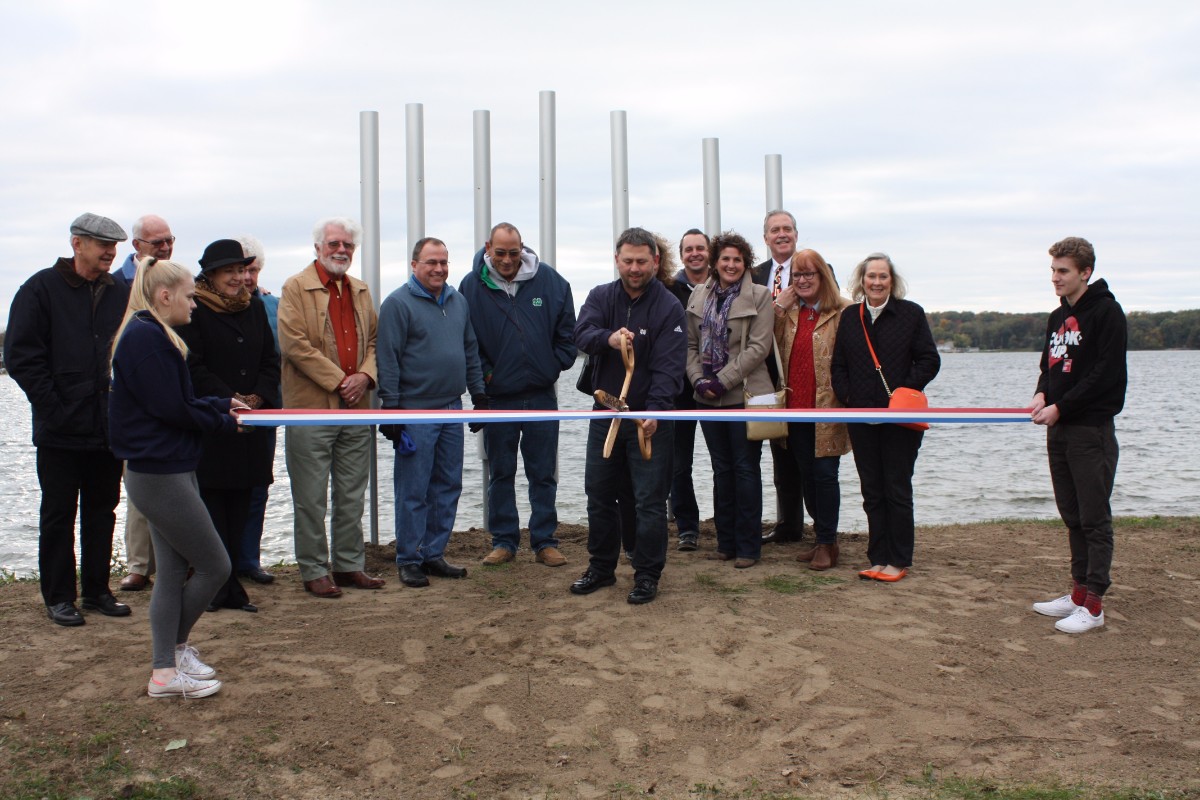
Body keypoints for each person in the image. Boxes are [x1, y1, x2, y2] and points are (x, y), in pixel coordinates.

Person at [109, 256, 246, 698]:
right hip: (158, 473)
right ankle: (165, 665)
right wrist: (225, 421)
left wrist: (220, 405)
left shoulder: (154, 334)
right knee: (215, 565)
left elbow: (178, 401)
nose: (195, 304)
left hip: (172, 467)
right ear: (164, 296)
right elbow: (173, 410)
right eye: (190, 296)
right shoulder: (147, 340)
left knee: (171, 573)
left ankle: (169, 663)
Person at [4, 213, 132, 626]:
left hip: (107, 425)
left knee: (103, 509)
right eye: (102, 245)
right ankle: (59, 597)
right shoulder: (40, 288)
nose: (110, 253)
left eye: (114, 246)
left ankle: (97, 590)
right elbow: (22, 356)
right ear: (77, 243)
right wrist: (53, 408)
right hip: (60, 428)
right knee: (58, 514)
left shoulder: (121, 292)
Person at [572, 227, 687, 604]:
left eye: (642, 261)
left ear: (655, 261)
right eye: (628, 261)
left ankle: (647, 574)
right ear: (617, 261)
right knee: (599, 495)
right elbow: (581, 334)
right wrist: (609, 339)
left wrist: (655, 412)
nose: (635, 268)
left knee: (649, 501)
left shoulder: (669, 306)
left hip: (647, 421)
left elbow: (669, 369)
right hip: (605, 414)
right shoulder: (600, 296)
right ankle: (601, 568)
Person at [458, 223, 576, 568]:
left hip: (541, 396)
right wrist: (487, 377)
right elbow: (467, 342)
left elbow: (568, 335)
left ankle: (545, 541)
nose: (507, 260)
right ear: (487, 248)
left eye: (514, 252)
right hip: (499, 398)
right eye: (500, 253)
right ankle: (504, 541)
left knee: (542, 473)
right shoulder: (471, 286)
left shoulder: (551, 282)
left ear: (522, 248)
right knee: (501, 472)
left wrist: (551, 366)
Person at [278, 217, 385, 598]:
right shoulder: (294, 287)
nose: (342, 251)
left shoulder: (361, 290)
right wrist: (341, 380)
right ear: (319, 247)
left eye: (348, 246)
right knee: (310, 496)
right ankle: (312, 569)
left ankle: (349, 564)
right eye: (335, 244)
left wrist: (365, 377)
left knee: (352, 493)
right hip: (311, 409)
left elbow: (374, 341)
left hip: (357, 408)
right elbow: (294, 345)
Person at [1030, 237, 1127, 634]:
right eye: (1053, 270)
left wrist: (1062, 406)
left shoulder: (1107, 313)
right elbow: (1049, 367)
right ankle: (1077, 593)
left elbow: (1105, 374)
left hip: (1091, 430)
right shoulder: (1057, 318)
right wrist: (1041, 393)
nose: (1055, 277)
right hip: (1060, 429)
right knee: (1071, 515)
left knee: (1093, 518)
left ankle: (1095, 604)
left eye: (1063, 271)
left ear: (1085, 272)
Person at [178, 240, 280, 612]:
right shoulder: (195, 310)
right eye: (230, 272)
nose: (239, 278)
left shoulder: (254, 307)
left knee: (242, 505)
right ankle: (214, 588)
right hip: (213, 425)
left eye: (242, 270)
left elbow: (271, 359)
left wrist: (257, 398)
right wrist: (229, 398)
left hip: (251, 425)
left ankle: (233, 586)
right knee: (212, 510)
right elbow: (193, 365)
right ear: (211, 275)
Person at [378, 237, 485, 588]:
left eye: (443, 262)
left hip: (453, 406)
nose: (438, 268)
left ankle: (433, 552)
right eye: (431, 262)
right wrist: (391, 409)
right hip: (415, 409)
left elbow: (469, 348)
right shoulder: (397, 303)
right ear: (414, 265)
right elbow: (388, 358)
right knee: (413, 488)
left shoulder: (458, 301)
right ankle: (409, 558)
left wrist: (478, 396)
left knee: (448, 484)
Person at [831, 253, 940, 582]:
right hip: (861, 417)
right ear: (861, 281)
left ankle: (898, 559)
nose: (876, 282)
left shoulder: (911, 314)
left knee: (896, 488)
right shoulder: (851, 317)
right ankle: (877, 557)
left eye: (883, 276)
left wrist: (904, 391)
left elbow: (929, 360)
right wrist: (849, 395)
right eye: (871, 276)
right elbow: (839, 365)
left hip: (900, 420)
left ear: (892, 281)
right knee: (872, 491)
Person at [686, 231, 773, 568]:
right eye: (726, 259)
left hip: (745, 396)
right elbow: (690, 347)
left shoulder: (761, 296)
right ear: (715, 262)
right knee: (721, 471)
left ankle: (749, 547)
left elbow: (758, 348)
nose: (731, 264)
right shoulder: (698, 295)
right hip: (705, 397)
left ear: (745, 263)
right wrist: (698, 380)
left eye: (737, 259)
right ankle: (726, 542)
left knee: (745, 469)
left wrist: (722, 381)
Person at [771, 249, 851, 571]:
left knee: (825, 475)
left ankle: (827, 541)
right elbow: (767, 346)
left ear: (823, 277)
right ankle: (823, 540)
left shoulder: (844, 311)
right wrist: (778, 308)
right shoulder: (789, 314)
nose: (802, 281)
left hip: (828, 408)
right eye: (797, 276)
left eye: (809, 274)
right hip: (795, 410)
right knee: (806, 476)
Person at [115, 214, 176, 591]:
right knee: (139, 485)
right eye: (157, 243)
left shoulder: (181, 279)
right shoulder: (117, 283)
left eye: (170, 239)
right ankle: (139, 564)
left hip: (173, 389)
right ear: (137, 246)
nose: (166, 247)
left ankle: (175, 561)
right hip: (133, 396)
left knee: (179, 486)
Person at [752, 209, 806, 545]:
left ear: (796, 235)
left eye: (787, 229)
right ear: (766, 238)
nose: (782, 234)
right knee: (778, 452)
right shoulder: (754, 274)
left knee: (807, 454)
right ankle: (788, 525)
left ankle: (823, 530)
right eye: (775, 230)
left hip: (801, 372)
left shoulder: (813, 268)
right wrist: (777, 305)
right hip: (762, 375)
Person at [235, 234, 279, 585]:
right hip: (223, 412)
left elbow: (275, 357)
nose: (247, 278)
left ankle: (249, 559)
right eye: (241, 270)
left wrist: (259, 397)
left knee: (258, 488)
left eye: (253, 270)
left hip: (264, 410)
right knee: (219, 491)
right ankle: (220, 563)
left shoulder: (270, 305)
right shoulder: (201, 306)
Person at [666, 228, 708, 551]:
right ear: (681, 255)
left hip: (719, 390)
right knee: (679, 464)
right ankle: (687, 527)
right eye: (689, 249)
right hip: (679, 392)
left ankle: (728, 523)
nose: (695, 253)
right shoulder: (669, 290)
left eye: (700, 248)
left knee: (727, 463)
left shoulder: (724, 286)